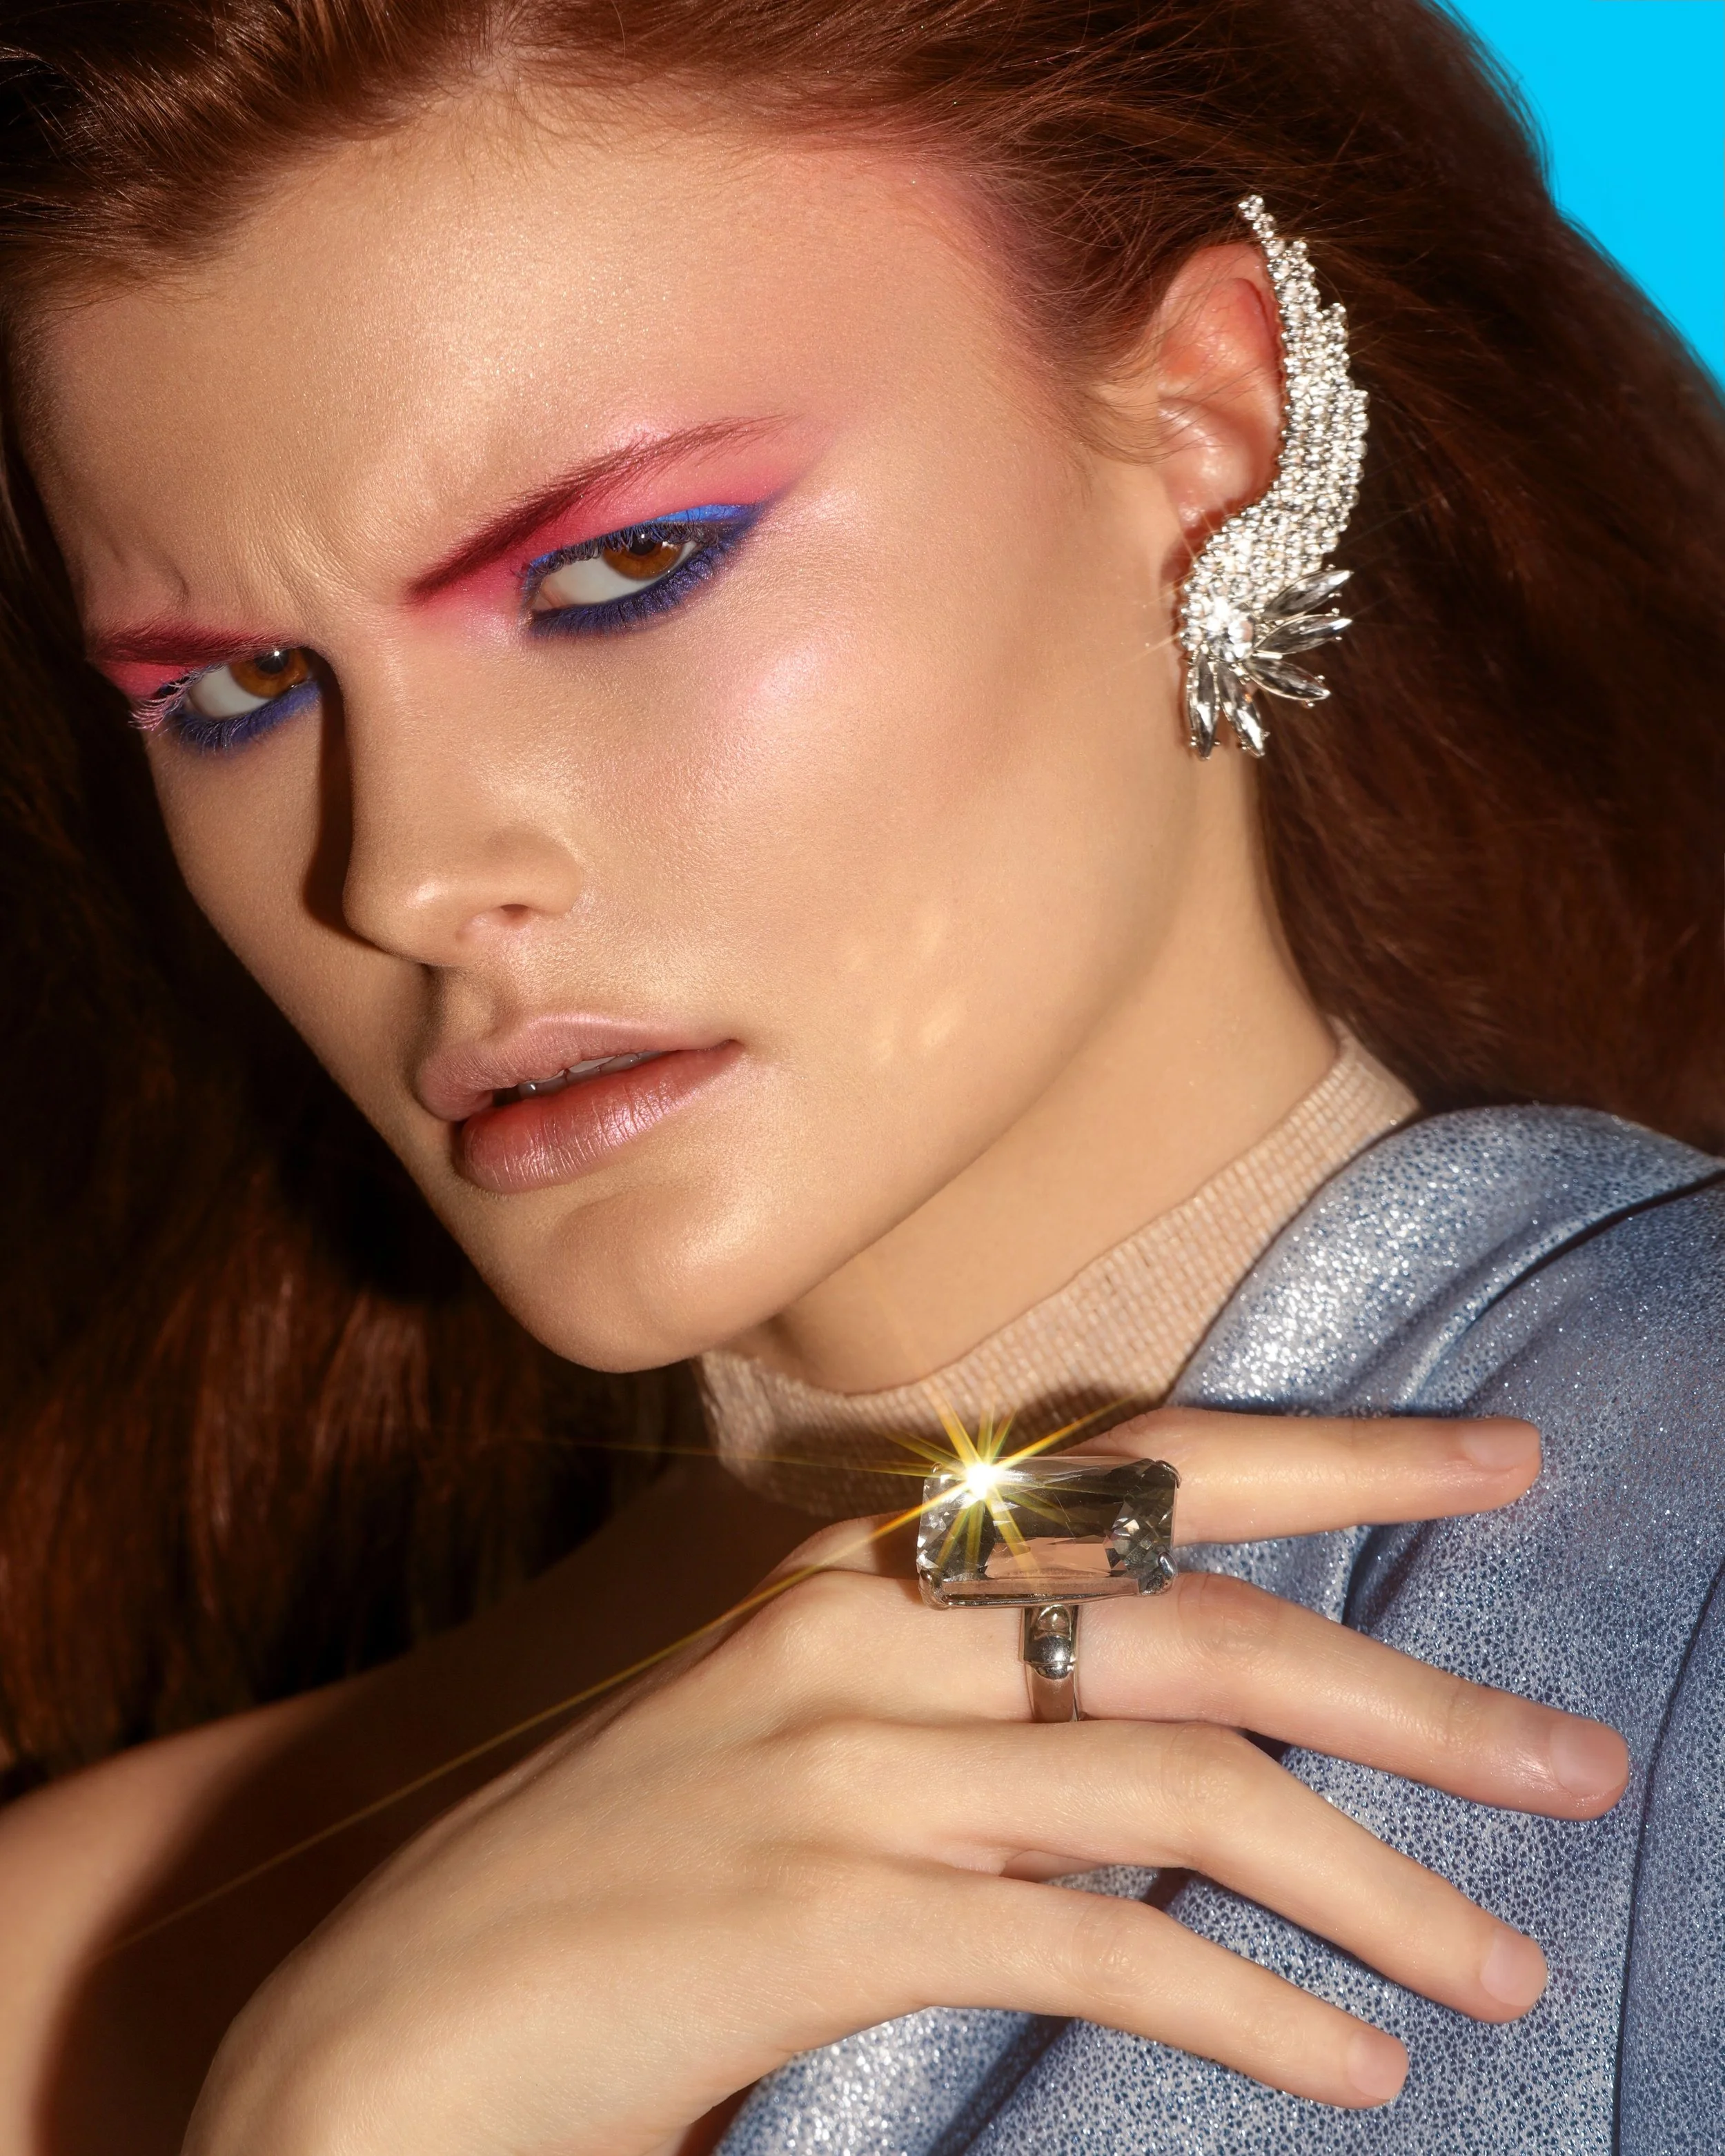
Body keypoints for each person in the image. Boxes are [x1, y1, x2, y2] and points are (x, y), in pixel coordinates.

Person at [0, 0, 1719, 2150]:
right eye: (244, 687)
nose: (415, 873)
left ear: (1206, 426)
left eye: (626, 566)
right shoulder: (66, 1990)